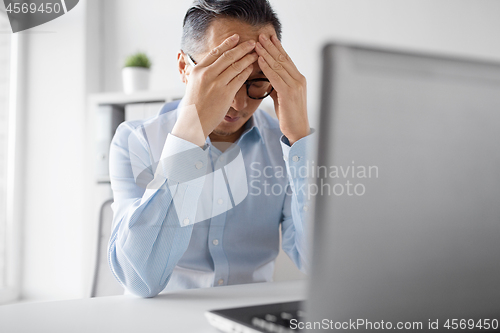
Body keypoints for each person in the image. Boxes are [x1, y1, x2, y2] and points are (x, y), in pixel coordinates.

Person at [108, 0, 315, 298]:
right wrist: (189, 136)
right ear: (184, 67)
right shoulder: (135, 141)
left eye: (257, 83)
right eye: (224, 78)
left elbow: (315, 263)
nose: (239, 104)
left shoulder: (288, 147)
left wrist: (299, 142)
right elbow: (139, 280)